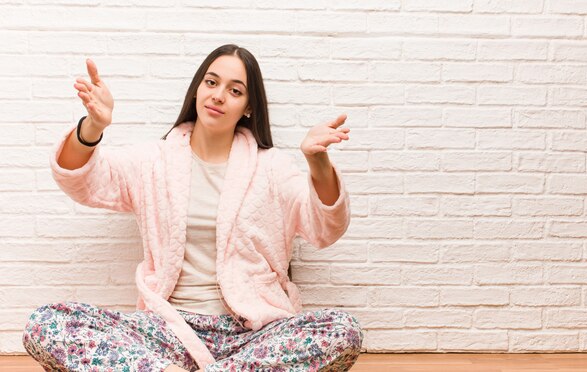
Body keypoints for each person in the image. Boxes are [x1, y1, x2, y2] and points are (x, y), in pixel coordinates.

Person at [22, 44, 362, 371]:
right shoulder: (155, 160)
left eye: (235, 90)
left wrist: (317, 163)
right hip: (168, 331)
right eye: (211, 82)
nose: (218, 95)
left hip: (251, 333)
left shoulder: (272, 168)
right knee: (47, 323)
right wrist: (93, 127)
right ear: (197, 90)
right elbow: (82, 181)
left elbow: (324, 227)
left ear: (248, 107)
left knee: (341, 330)